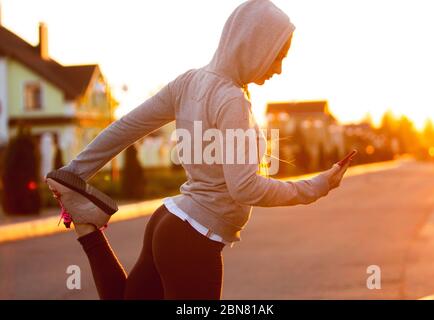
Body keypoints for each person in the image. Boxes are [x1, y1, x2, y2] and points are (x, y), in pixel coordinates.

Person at [47, 0, 354, 300]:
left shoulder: (190, 82)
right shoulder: (231, 99)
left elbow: (128, 126)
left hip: (168, 220)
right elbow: (245, 188)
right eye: (277, 57)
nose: (279, 69)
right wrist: (315, 187)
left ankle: (87, 228)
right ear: (253, 46)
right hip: (194, 240)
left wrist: (74, 171)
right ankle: (85, 223)